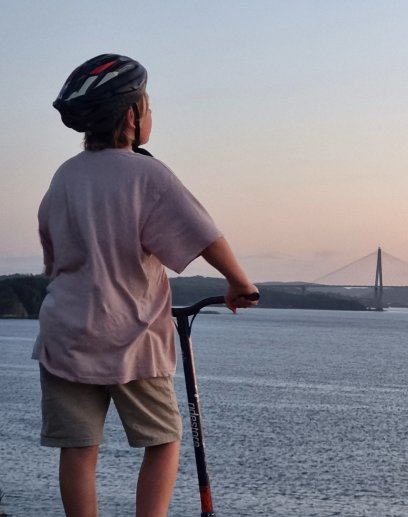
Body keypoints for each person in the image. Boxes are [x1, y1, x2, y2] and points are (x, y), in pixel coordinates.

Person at [33, 54, 258, 517]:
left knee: (78, 448)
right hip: (129, 337)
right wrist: (238, 281)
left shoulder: (64, 176)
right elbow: (204, 234)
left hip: (65, 334)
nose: (151, 117)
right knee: (164, 439)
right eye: (149, 108)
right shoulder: (146, 174)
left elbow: (52, 257)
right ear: (132, 117)